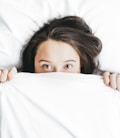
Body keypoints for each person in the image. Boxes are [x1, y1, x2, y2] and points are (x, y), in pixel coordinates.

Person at [0, 16, 120, 91]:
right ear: (33, 66)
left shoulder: (102, 88)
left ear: (81, 65)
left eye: (68, 66)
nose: (57, 75)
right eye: (46, 66)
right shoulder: (15, 89)